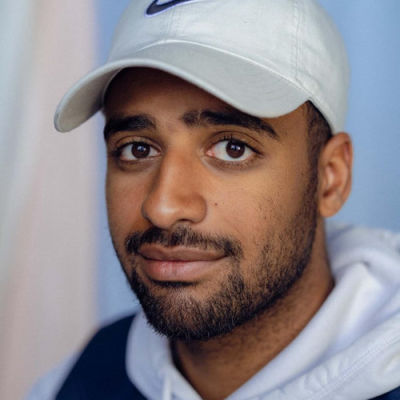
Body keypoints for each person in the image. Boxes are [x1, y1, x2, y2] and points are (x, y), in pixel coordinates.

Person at [29, 0, 400, 399]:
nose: (162, 208)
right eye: (137, 149)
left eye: (232, 149)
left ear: (330, 179)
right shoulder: (75, 381)